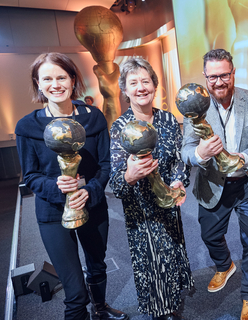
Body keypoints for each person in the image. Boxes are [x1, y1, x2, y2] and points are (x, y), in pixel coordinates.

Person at [15, 52, 128, 320]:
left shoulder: (93, 118)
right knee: (75, 290)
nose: (55, 84)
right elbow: (30, 176)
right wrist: (58, 187)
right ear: (38, 83)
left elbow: (105, 164)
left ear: (73, 79)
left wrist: (89, 191)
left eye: (61, 77)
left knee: (97, 266)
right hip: (53, 213)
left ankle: (100, 308)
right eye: (47, 79)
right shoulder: (27, 126)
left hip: (92, 203)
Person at [181, 48, 248, 320]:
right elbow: (186, 149)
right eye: (213, 76)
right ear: (205, 76)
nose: (219, 82)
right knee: (208, 235)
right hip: (213, 182)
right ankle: (224, 265)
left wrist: (246, 156)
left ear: (233, 73)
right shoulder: (195, 108)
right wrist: (199, 155)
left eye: (224, 75)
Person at [109, 57, 193, 320]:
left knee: (170, 251)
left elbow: (180, 159)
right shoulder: (120, 128)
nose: (141, 87)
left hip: (168, 201)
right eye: (133, 83)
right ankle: (160, 310)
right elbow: (116, 180)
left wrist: (179, 181)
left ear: (155, 86)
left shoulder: (168, 120)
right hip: (141, 208)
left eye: (146, 81)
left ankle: (171, 301)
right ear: (125, 90)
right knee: (152, 258)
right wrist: (130, 176)